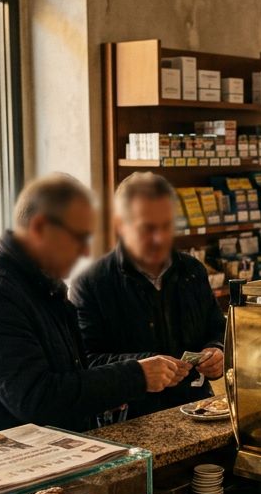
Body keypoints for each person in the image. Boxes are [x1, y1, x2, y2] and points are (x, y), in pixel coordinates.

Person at [0, 173, 191, 442]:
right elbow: (37, 398)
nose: (85, 252)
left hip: (43, 455)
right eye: (79, 238)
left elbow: (72, 372)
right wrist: (136, 376)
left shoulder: (40, 283)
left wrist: (121, 384)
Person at [70, 173, 225, 419]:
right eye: (147, 228)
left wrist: (217, 352)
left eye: (166, 226)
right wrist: (141, 369)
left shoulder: (192, 271)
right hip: (130, 420)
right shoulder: (91, 283)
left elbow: (218, 329)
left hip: (196, 411)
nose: (160, 238)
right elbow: (85, 362)